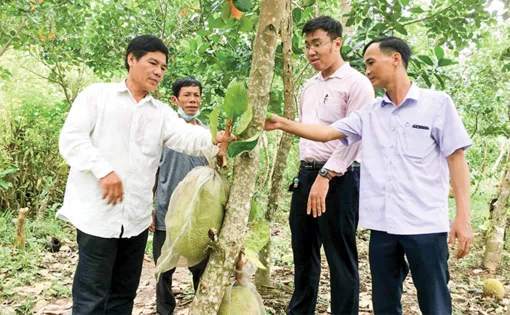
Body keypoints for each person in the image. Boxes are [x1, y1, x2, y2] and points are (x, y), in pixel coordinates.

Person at [265, 36, 474, 315]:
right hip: (383, 226)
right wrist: (282, 123)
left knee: (434, 302)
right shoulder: (370, 114)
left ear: (395, 59)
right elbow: (328, 133)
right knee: (385, 304)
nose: (367, 70)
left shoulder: (437, 104)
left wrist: (463, 216)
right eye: (365, 65)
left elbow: (456, 160)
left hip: (425, 224)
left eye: (371, 63)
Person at [57, 35, 232, 314]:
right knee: (91, 296)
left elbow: (188, 138)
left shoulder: (160, 113)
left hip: (135, 221)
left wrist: (216, 138)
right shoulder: (96, 96)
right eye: (153, 63)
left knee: (124, 295)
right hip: (98, 217)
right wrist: (104, 171)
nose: (158, 72)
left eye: (163, 67)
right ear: (131, 60)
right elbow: (72, 140)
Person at [285, 16, 374, 315]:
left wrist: (327, 174)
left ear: (337, 43)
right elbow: (309, 133)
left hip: (340, 179)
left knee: (340, 257)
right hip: (305, 175)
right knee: (303, 254)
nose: (311, 52)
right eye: (307, 45)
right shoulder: (309, 86)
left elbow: (356, 137)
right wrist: (308, 175)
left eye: (317, 44)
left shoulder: (357, 84)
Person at [149, 78, 209, 315]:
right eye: (186, 95)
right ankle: (165, 311)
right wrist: (150, 207)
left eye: (196, 95)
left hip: (198, 214)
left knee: (200, 267)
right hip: (166, 210)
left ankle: (201, 308)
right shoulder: (165, 132)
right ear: (175, 100)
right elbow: (153, 171)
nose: (192, 100)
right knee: (163, 268)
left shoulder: (207, 134)